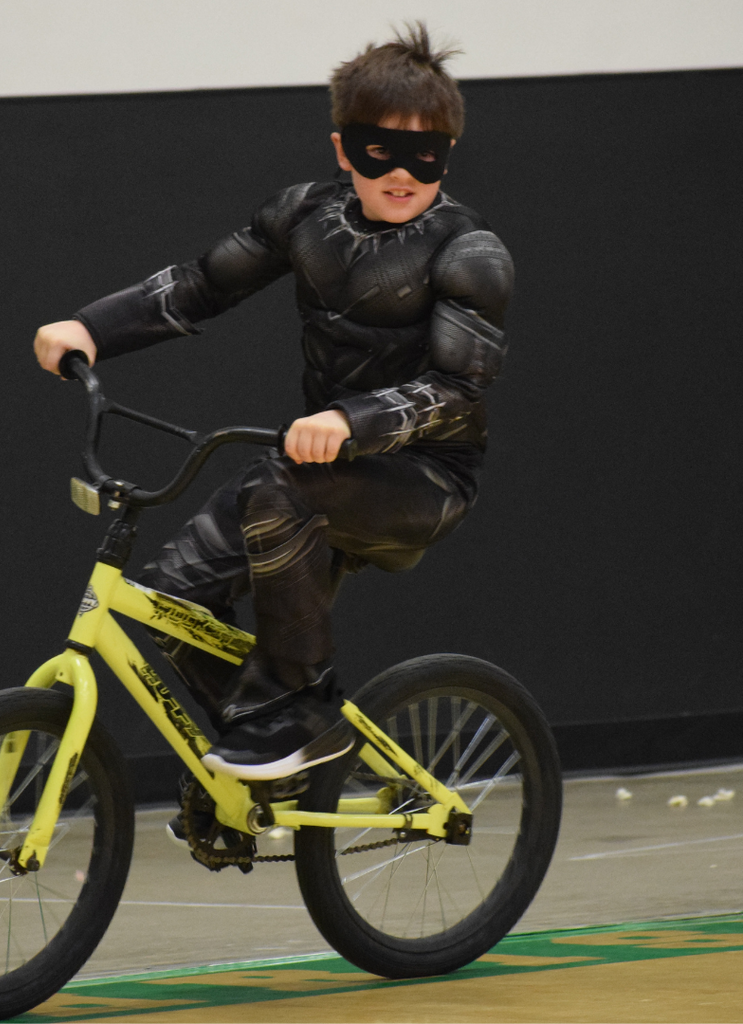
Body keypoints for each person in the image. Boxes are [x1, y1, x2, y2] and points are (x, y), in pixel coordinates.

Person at [34, 23, 513, 782]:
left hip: (422, 478)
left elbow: (458, 391)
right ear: (341, 149)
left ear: (447, 154)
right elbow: (199, 286)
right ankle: (270, 758)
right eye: (377, 150)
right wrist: (88, 327)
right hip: (312, 462)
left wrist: (349, 420)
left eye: (423, 155)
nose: (400, 174)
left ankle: (301, 708)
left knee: (282, 489)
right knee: (168, 604)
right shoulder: (303, 217)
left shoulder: (470, 254)